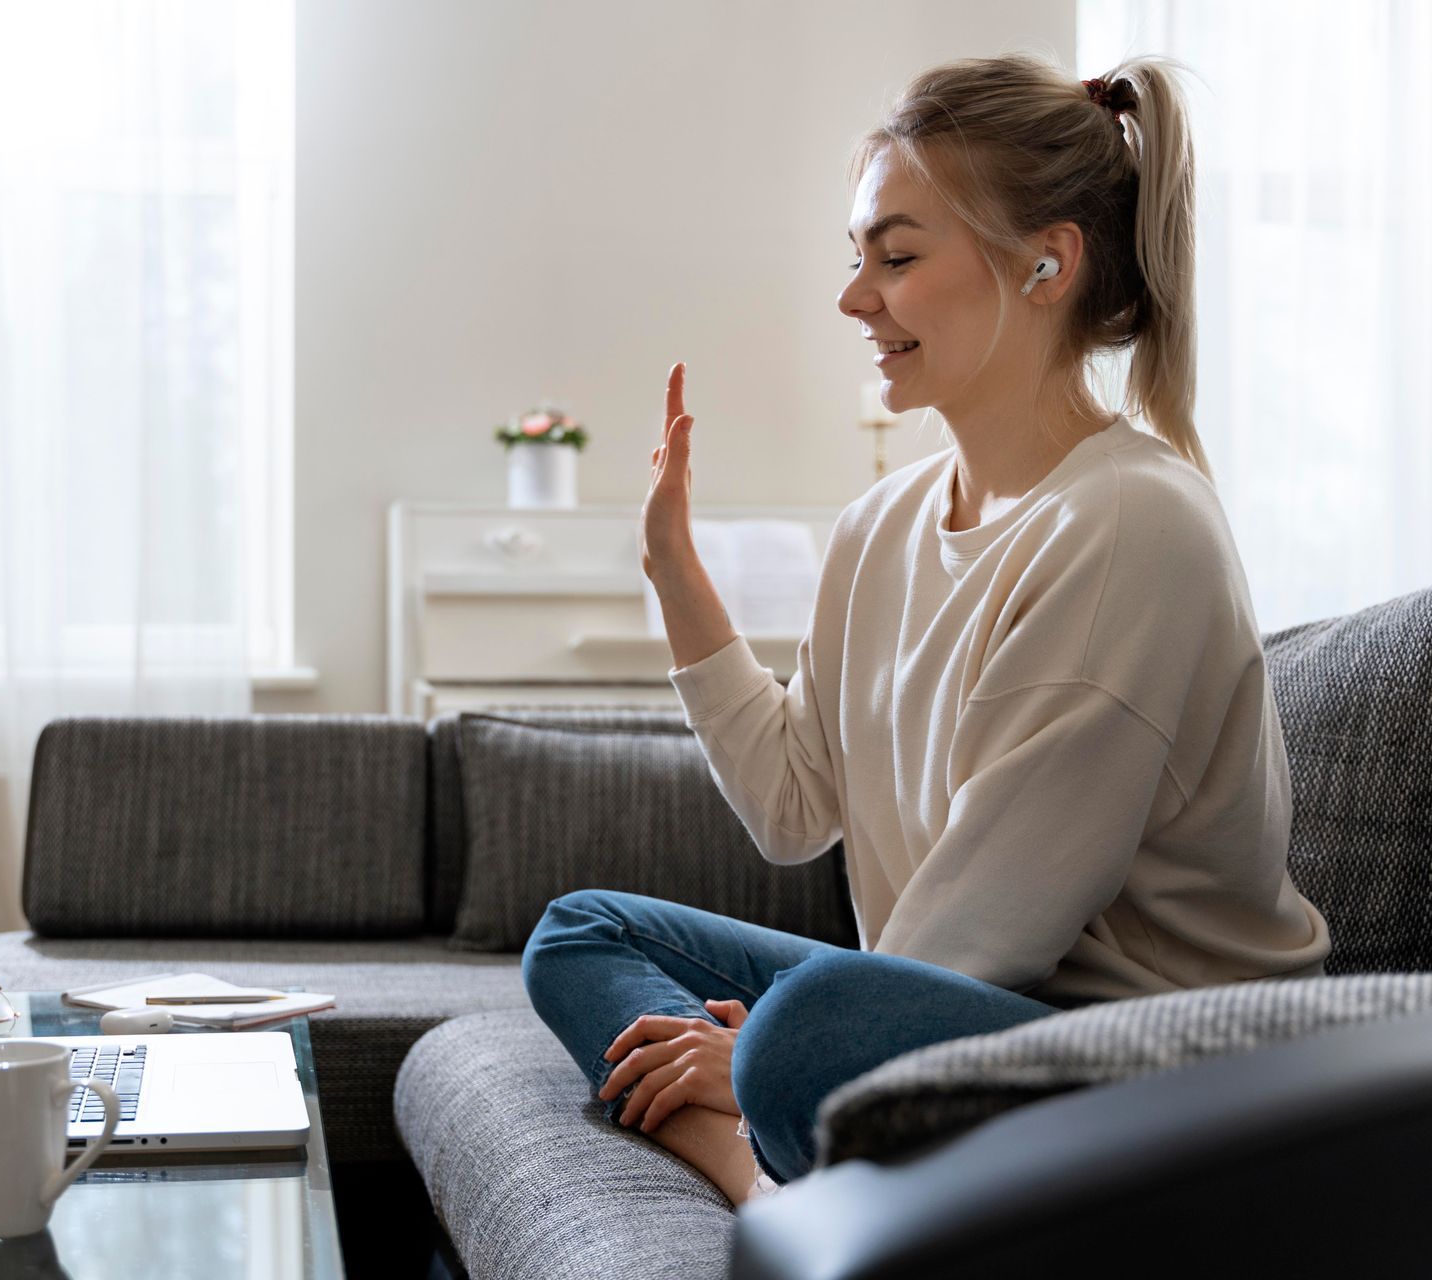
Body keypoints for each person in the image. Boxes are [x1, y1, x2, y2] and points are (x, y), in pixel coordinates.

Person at [520, 51, 1333, 1206]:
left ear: (1047, 262)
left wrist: (761, 1054)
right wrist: (676, 575)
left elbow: (981, 938)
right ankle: (760, 1166)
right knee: (579, 931)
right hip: (951, 1005)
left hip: (1158, 1067)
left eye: (896, 258)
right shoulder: (880, 525)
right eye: (856, 259)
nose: (856, 298)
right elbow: (795, 808)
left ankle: (768, 1152)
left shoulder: (1130, 527)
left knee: (809, 1027)